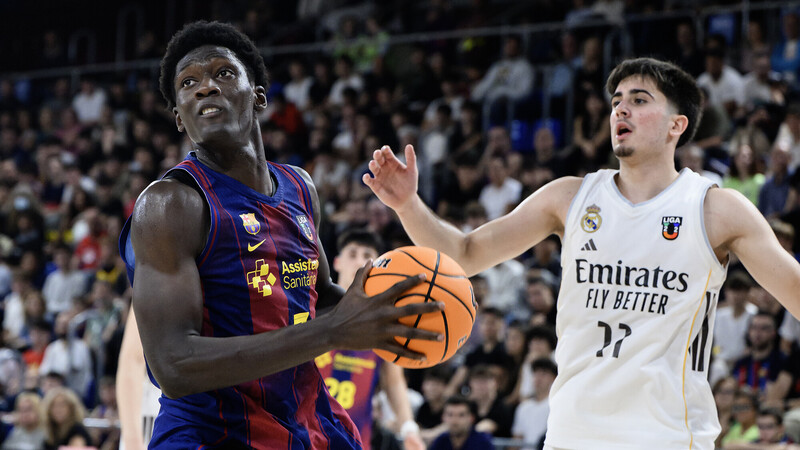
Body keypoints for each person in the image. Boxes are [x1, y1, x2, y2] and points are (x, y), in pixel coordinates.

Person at [363, 57, 800, 449]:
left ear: (676, 125)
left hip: (666, 438)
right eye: (616, 101)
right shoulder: (569, 197)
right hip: (571, 434)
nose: (620, 110)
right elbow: (465, 253)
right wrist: (407, 205)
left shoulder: (714, 208)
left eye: (639, 99)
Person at [118, 21, 442, 449]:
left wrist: (399, 309)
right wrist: (333, 333)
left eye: (224, 73)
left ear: (258, 96)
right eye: (188, 82)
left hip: (307, 422)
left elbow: (319, 297)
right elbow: (173, 365)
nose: (205, 87)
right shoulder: (169, 205)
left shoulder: (300, 188)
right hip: (213, 434)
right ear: (179, 117)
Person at [314, 229, 423, 450]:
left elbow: (393, 381)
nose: (359, 261)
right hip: (305, 434)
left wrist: (409, 428)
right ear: (336, 262)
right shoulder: (312, 308)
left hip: (355, 440)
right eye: (352, 254)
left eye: (367, 256)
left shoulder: (383, 320)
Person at [429, 396, 495, 450]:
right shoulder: (441, 441)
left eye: (461, 415)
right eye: (450, 415)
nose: (455, 420)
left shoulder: (482, 442)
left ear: (471, 418)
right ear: (443, 417)